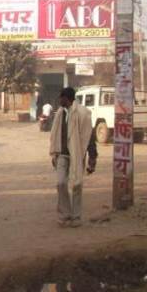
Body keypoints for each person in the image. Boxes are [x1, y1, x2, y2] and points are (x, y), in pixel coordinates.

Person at [49, 87, 97, 227]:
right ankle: (65, 214)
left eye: (61, 98)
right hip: (62, 154)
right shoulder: (59, 114)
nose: (59, 100)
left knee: (77, 185)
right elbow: (55, 135)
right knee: (61, 183)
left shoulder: (83, 113)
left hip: (77, 153)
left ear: (67, 98)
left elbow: (89, 136)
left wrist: (92, 157)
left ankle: (76, 217)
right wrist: (54, 154)